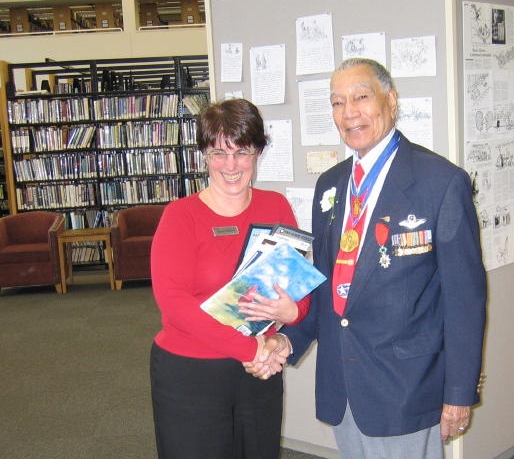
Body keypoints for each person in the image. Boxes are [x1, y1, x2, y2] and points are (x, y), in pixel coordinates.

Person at [246, 58, 487, 459]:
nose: (349, 113)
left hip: (407, 385)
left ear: (390, 100)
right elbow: (325, 284)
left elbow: (465, 300)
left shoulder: (441, 183)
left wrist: (458, 393)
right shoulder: (332, 185)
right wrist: (289, 337)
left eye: (361, 97)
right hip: (343, 380)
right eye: (338, 103)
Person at [149, 98, 310, 459]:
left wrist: (290, 316)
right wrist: (252, 350)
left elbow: (298, 288)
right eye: (219, 153)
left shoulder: (276, 207)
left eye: (243, 152)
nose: (231, 165)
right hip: (193, 373)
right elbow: (174, 305)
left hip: (259, 373)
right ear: (204, 155)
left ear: (258, 153)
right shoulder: (181, 216)